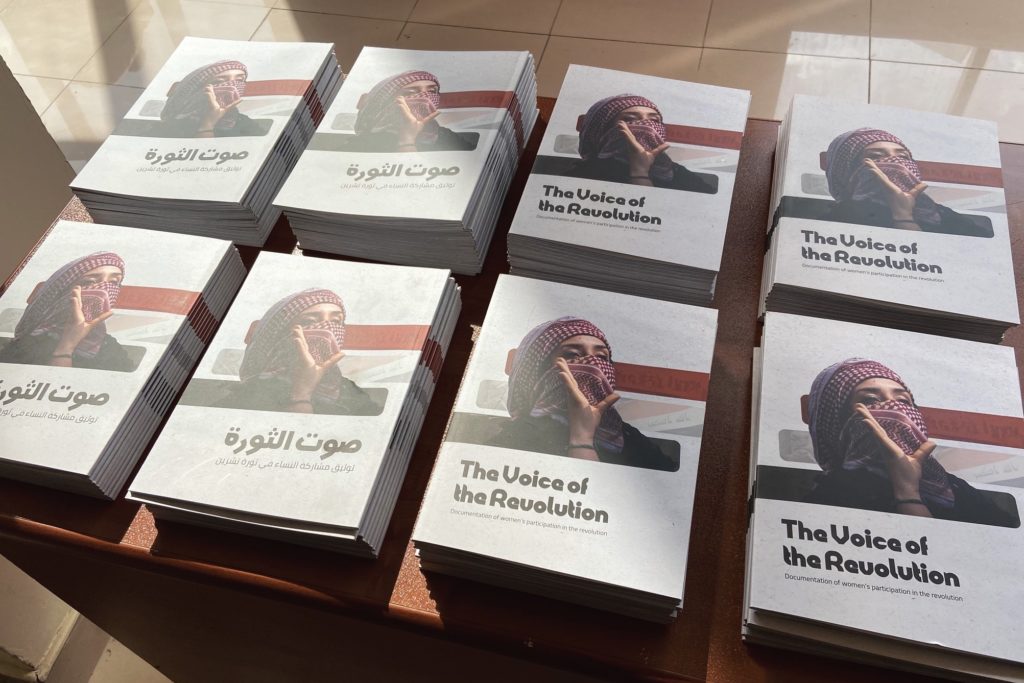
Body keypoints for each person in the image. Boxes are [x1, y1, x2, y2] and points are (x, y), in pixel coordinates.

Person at [805, 358, 1015, 526]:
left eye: (903, 401)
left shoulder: (955, 489)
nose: (895, 408)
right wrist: (907, 491)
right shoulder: (832, 494)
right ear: (836, 420)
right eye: (870, 400)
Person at [487, 317, 675, 470]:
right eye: (572, 355)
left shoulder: (629, 438)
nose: (593, 364)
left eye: (601, 357)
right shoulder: (515, 439)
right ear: (536, 370)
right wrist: (582, 438)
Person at [215, 289, 378, 415]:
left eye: (336, 321)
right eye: (308, 321)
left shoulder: (348, 391)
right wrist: (301, 392)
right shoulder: (250, 393)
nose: (328, 330)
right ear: (280, 334)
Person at [820, 128, 992, 236]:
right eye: (876, 157)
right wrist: (902, 215)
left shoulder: (944, 216)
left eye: (903, 157)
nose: (897, 163)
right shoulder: (835, 221)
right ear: (845, 172)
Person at [0, 252, 132, 371]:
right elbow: (49, 385)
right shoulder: (29, 345)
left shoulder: (109, 346)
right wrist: (67, 345)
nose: (104, 290)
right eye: (89, 282)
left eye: (113, 283)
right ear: (62, 292)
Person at [563, 94, 715, 192]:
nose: (647, 126)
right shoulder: (584, 175)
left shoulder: (677, 173)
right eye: (630, 119)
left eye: (654, 120)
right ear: (601, 130)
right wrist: (639, 172)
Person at [350, 70, 475, 153]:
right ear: (386, 102)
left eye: (432, 92)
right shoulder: (364, 143)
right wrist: (407, 139)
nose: (426, 98)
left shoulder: (444, 135)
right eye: (410, 93)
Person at [156, 60, 264, 138]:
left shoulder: (243, 121)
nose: (232, 87)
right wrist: (208, 123)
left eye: (239, 81)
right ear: (197, 90)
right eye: (218, 82)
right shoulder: (176, 125)